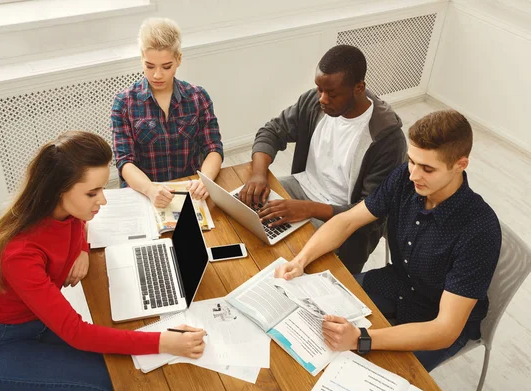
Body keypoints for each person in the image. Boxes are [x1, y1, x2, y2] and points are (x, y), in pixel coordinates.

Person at [0, 131, 207, 391]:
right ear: (58, 190)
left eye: (102, 188)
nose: (103, 200)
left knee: (128, 367)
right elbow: (76, 333)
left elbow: (81, 226)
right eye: (92, 193)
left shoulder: (65, 211)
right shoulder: (19, 253)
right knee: (117, 384)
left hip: (36, 322)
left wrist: (82, 250)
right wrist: (164, 341)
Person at [274, 110, 501, 372]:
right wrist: (300, 261)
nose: (414, 175)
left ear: (460, 164)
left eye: (427, 168)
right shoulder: (405, 178)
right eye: (412, 161)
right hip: (396, 283)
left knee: (358, 378)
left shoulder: (480, 230)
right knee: (303, 321)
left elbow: (445, 329)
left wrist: (361, 339)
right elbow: (347, 221)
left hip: (433, 320)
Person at [238, 45, 406, 273]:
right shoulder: (314, 102)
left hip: (342, 221)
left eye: (332, 94)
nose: (322, 99)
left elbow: (371, 213)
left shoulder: (386, 139)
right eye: (319, 90)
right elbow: (272, 131)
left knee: (281, 263)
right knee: (242, 216)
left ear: (359, 88)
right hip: (298, 189)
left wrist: (308, 209)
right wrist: (258, 174)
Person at [111, 18, 224, 208]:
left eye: (166, 66)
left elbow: (213, 147)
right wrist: (150, 189)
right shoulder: (124, 102)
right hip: (144, 193)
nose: (157, 75)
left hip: (190, 191)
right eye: (149, 66)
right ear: (141, 59)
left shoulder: (198, 97)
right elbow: (125, 162)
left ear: (179, 59)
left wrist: (205, 181)